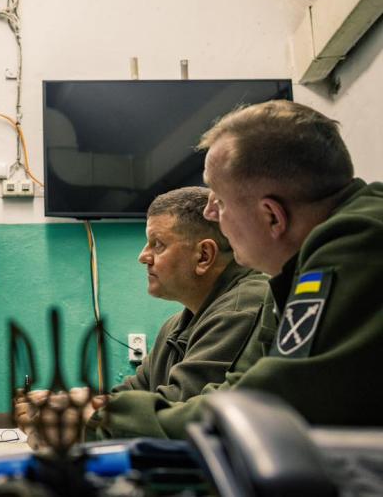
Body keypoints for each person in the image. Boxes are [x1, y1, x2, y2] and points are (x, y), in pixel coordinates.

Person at [95, 100, 383, 438]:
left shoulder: (360, 240)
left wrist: (105, 419)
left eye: (218, 200)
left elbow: (271, 406)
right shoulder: (289, 277)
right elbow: (239, 390)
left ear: (271, 216)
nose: (210, 214)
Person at [18, 187, 274, 445]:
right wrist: (69, 406)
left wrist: (85, 417)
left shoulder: (241, 308)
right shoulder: (175, 325)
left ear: (204, 256)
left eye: (157, 244)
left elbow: (177, 413)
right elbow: (133, 394)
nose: (143, 257)